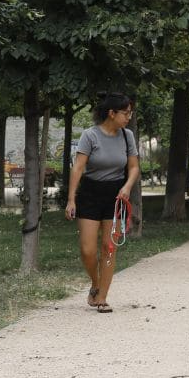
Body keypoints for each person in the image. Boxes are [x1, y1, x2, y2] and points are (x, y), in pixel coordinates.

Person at [66, 93, 141, 313]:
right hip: (90, 193)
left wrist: (127, 186)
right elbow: (78, 167)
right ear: (112, 113)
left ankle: (102, 297)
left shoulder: (127, 137)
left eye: (130, 113)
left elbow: (134, 167)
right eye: (126, 113)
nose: (129, 117)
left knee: (109, 248)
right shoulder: (90, 136)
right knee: (88, 249)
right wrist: (71, 199)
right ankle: (95, 283)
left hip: (116, 196)